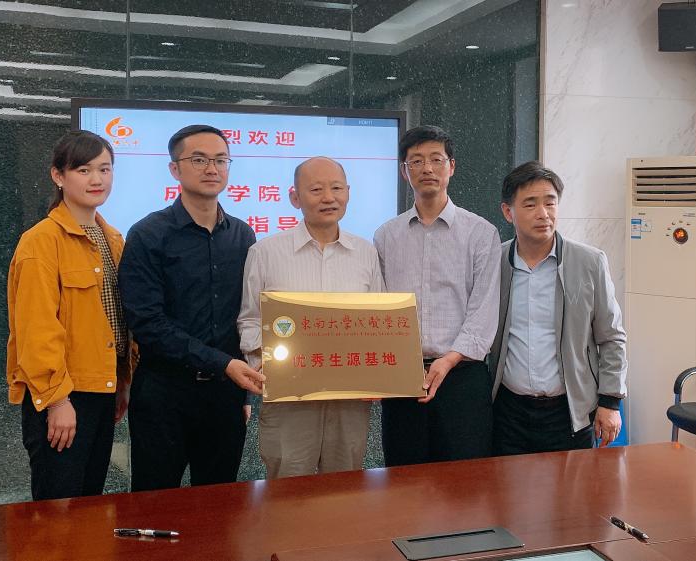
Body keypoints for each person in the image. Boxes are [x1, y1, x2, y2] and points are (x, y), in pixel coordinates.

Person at [119, 124, 265, 491]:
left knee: (219, 504)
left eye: (221, 160)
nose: (212, 169)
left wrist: (243, 393)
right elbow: (147, 322)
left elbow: (246, 315)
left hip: (225, 396)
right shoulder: (148, 234)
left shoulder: (243, 236)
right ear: (175, 169)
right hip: (164, 393)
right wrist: (222, 363)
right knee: (155, 502)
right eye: (199, 160)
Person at [238, 157, 385, 478]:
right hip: (289, 399)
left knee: (344, 487)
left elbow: (378, 320)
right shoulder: (265, 252)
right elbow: (249, 320)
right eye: (316, 189)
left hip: (349, 400)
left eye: (337, 188)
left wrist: (378, 377)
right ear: (295, 197)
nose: (328, 197)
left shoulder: (366, 253)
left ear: (348, 193)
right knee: (288, 488)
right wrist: (265, 365)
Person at [6, 130, 132, 500]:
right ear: (58, 176)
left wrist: (122, 381)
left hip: (102, 389)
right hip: (63, 395)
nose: (97, 179)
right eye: (83, 170)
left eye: (104, 169)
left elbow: (118, 320)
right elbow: (36, 329)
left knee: (88, 504)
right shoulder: (41, 241)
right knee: (57, 510)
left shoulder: (113, 239)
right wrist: (58, 401)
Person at [373, 125, 503, 466]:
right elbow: (380, 309)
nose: (427, 168)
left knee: (463, 481)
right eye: (416, 161)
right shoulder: (386, 236)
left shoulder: (481, 233)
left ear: (451, 166)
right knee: (404, 478)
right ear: (404, 171)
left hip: (462, 379)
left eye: (436, 159)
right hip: (403, 380)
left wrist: (448, 360)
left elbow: (483, 311)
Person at [490, 161, 626, 455]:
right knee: (507, 484)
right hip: (508, 411)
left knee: (571, 485)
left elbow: (612, 336)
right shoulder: (494, 262)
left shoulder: (589, 262)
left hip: (569, 412)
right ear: (508, 212)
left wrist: (610, 402)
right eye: (530, 204)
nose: (543, 213)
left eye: (550, 203)